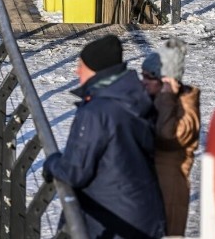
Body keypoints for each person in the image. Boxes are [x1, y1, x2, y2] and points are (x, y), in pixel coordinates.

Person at [43, 35, 166, 239]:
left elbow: (75, 171)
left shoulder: (96, 112)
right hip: (145, 216)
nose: (76, 71)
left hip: (114, 221)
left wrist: (52, 163)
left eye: (80, 65)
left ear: (94, 70)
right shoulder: (134, 98)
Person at [140, 39, 201, 237]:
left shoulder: (187, 110)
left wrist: (166, 97)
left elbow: (167, 136)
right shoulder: (154, 99)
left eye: (148, 77)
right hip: (151, 189)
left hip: (170, 193)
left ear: (166, 81)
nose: (143, 82)